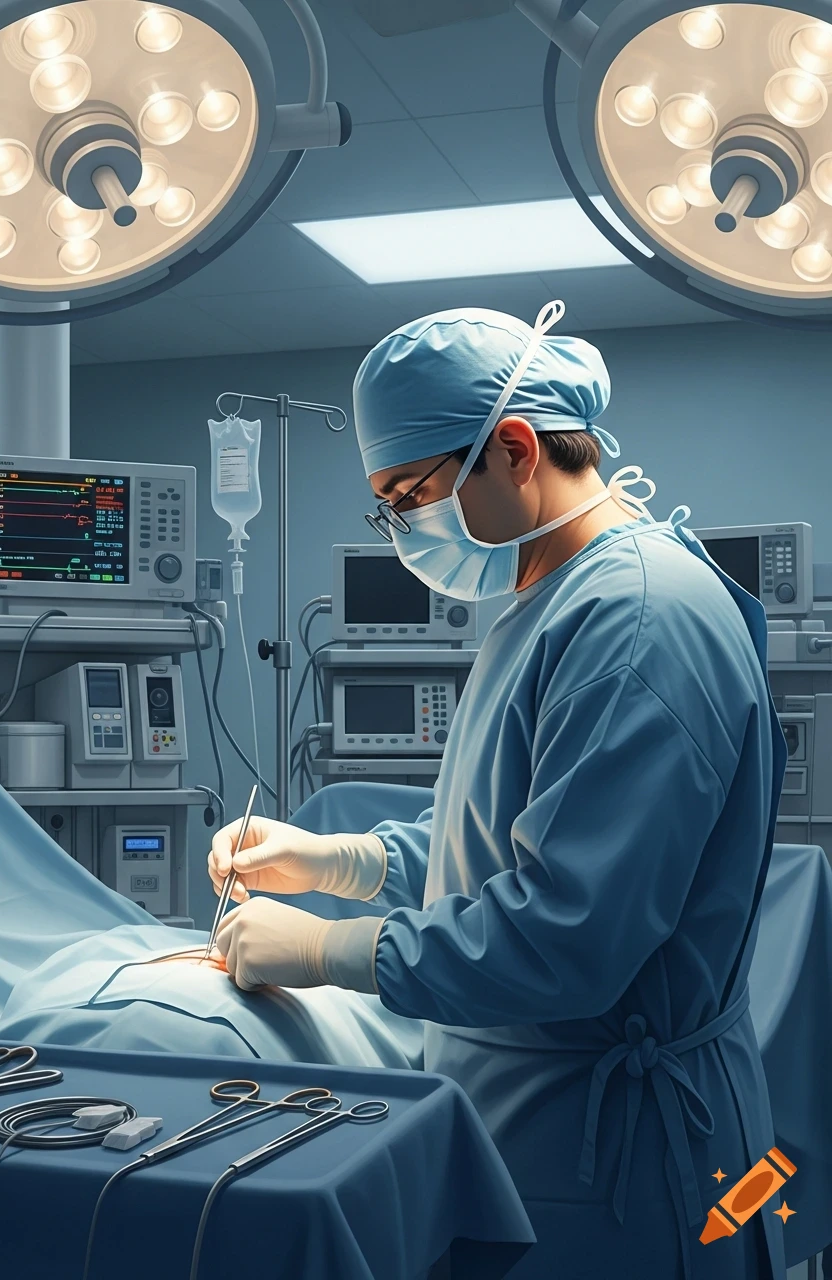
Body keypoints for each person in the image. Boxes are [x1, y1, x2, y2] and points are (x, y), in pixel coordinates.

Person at [208, 301, 789, 1279]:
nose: (402, 527)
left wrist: (329, 948)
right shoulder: (554, 596)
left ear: (513, 450)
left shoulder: (637, 622)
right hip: (536, 1121)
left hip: (625, 1161)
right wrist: (340, 860)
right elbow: (503, 839)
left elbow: (566, 933)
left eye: (408, 494)